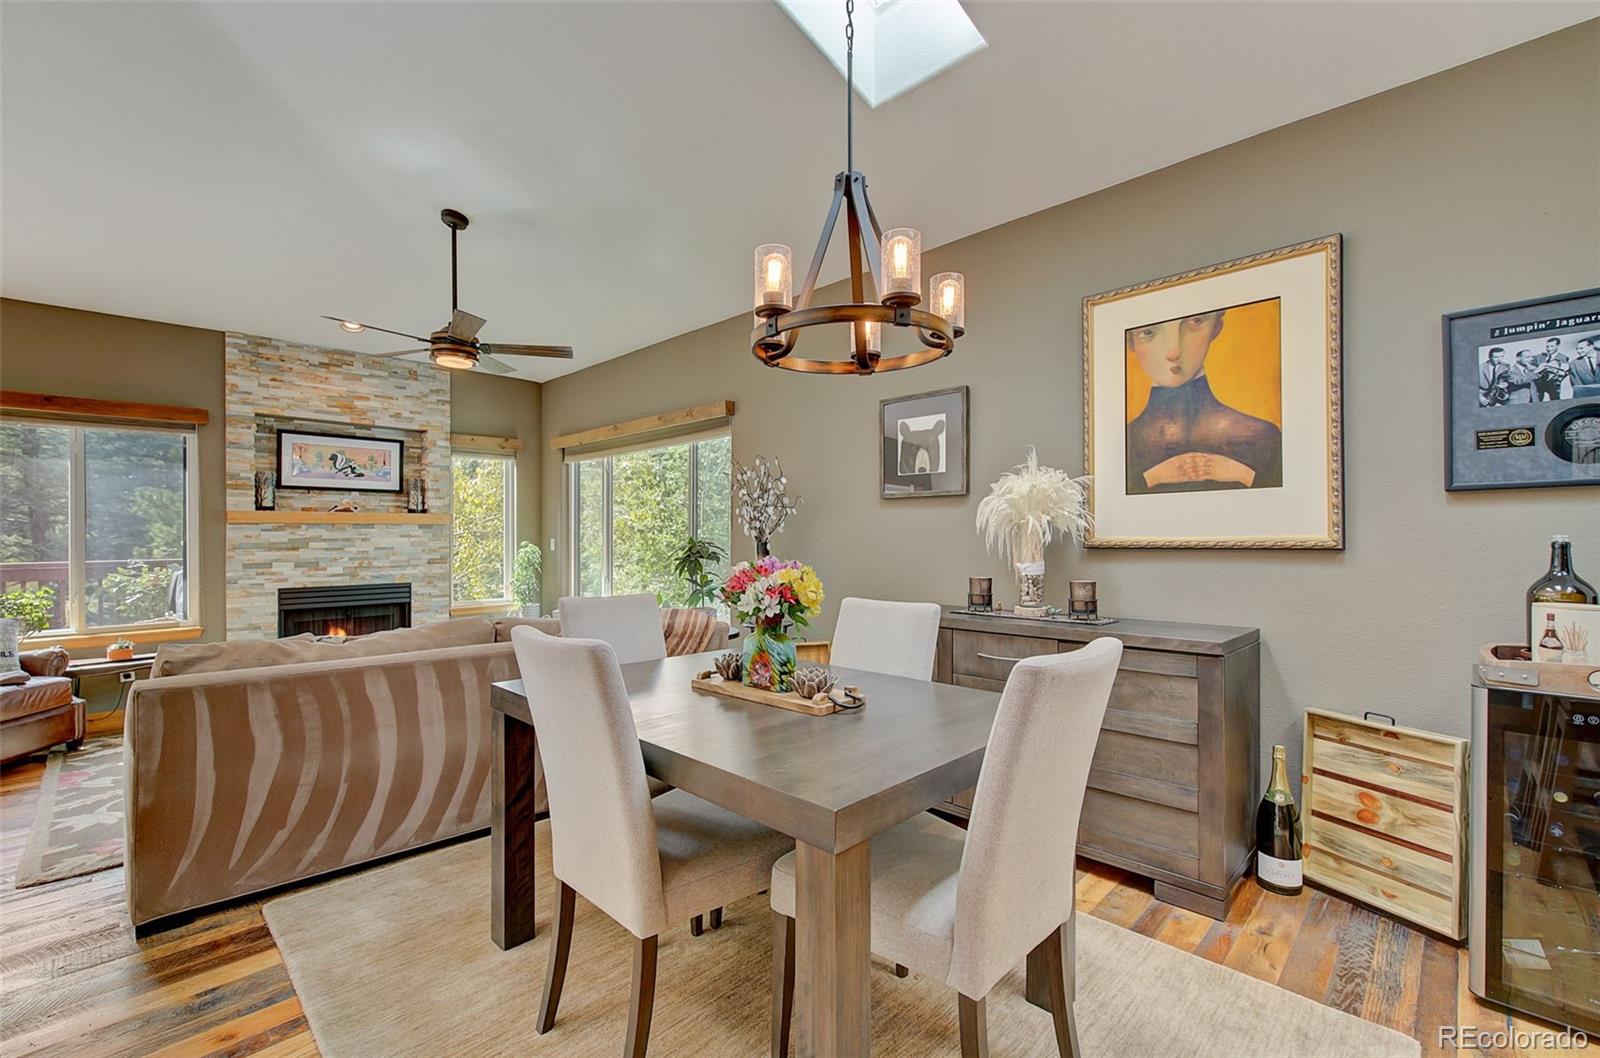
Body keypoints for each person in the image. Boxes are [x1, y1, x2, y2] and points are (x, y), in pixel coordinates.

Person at [1125, 309, 1282, 493]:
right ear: (1131, 342)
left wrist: (1244, 474)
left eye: (1195, 321)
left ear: (1216, 327)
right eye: (1147, 332)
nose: (1173, 351)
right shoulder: (1122, 447)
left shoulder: (1263, 439)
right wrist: (1152, 478)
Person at [1534, 337, 1570, 401]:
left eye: (1552, 346)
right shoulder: (1540, 356)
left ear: (1557, 346)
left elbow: (1564, 372)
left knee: (1555, 400)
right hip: (1539, 385)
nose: (1549, 349)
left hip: (1553, 385)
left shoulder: (1563, 357)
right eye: (1547, 346)